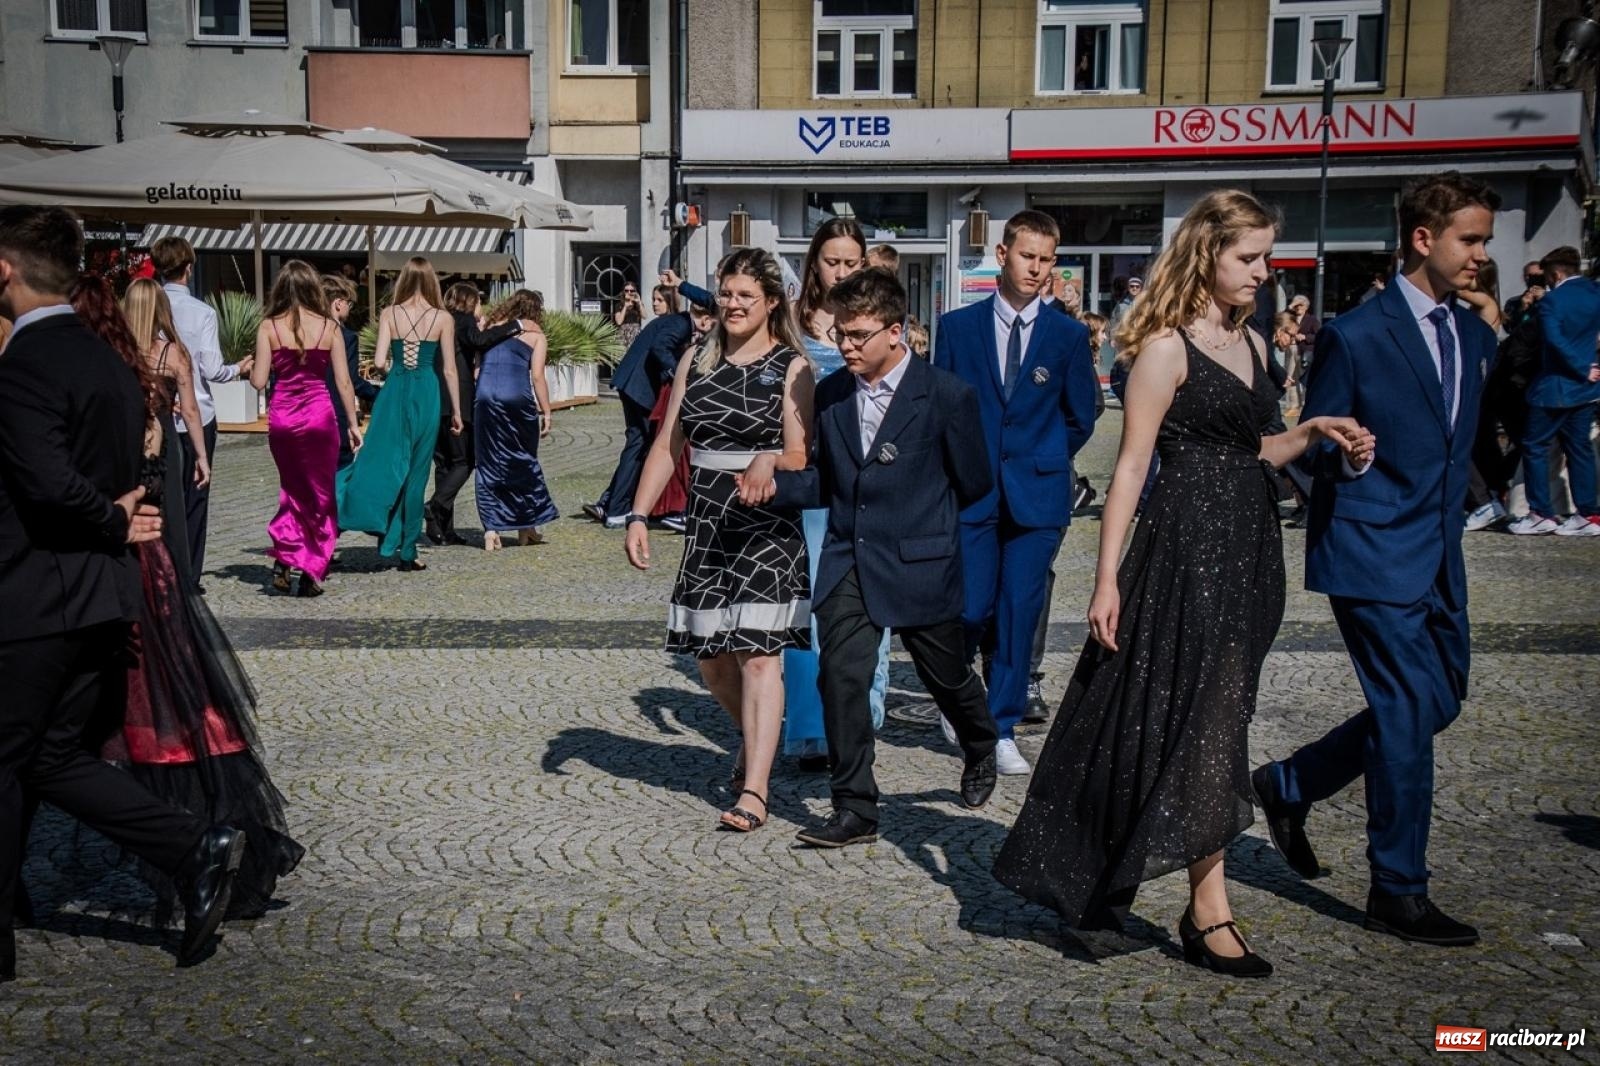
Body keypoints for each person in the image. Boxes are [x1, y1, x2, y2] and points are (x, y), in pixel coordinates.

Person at [992, 189, 1374, 978]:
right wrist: (1106, 581)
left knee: (1210, 718)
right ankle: (1209, 909)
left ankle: (1178, 888)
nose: (1264, 274)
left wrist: (1310, 433)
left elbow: (1255, 451)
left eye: (1266, 257)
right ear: (1207, 254)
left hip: (1251, 553)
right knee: (1202, 722)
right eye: (1249, 258)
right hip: (1183, 550)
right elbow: (1130, 466)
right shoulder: (1164, 348)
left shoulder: (1258, 345)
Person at [1254, 171, 1503, 949]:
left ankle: (1288, 783)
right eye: (1471, 239)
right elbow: (1309, 454)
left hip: (1438, 553)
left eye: (1486, 240)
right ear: (1424, 239)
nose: (1481, 255)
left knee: (1440, 700)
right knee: (1404, 715)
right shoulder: (1355, 335)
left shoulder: (1474, 334)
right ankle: (1398, 888)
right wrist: (1351, 461)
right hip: (1368, 547)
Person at [0, 206, 245, 980]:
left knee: (17, 759)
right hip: (102, 596)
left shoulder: (27, 367)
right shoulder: (109, 356)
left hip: (36, 596)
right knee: (50, 759)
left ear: (4, 271)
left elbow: (46, 485)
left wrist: (107, 517)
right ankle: (190, 846)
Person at [69, 274, 305, 925]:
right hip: (152, 539)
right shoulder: (159, 366)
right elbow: (185, 424)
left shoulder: (120, 374)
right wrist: (196, 456)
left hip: (128, 549)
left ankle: (180, 833)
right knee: (170, 693)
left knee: (144, 702)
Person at [757, 268, 1000, 847]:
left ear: (896, 333)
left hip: (921, 562)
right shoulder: (835, 393)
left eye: (858, 334)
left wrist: (923, 524)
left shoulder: (946, 395)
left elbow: (974, 482)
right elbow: (831, 483)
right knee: (840, 676)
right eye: (841, 332)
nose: (844, 345)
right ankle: (856, 809)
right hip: (848, 559)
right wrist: (774, 487)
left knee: (946, 676)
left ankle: (980, 739)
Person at [624, 248, 813, 834]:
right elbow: (666, 446)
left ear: (772, 303)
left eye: (744, 296)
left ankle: (755, 789)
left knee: (760, 655)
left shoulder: (792, 367)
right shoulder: (694, 361)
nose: (732, 304)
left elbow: (805, 455)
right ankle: (759, 734)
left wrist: (769, 459)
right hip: (706, 521)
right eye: (725, 293)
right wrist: (637, 513)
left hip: (765, 522)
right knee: (711, 660)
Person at [932, 210, 1099, 776]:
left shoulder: (1069, 335)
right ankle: (955, 698)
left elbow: (1082, 414)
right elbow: (940, 408)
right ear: (1002, 255)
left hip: (1038, 495)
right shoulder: (956, 329)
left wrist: (1044, 456)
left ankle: (998, 726)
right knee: (969, 606)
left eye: (1046, 259)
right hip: (972, 492)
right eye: (1028, 256)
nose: (1037, 268)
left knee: (1018, 611)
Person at [790, 219, 890, 773]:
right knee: (809, 602)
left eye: (853, 262)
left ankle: (863, 714)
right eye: (833, 260)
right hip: (811, 474)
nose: (842, 271)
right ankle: (809, 724)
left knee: (872, 596)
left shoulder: (880, 324)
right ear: (815, 264)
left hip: (870, 478)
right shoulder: (794, 324)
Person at [337, 257, 462, 571]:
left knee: (384, 460)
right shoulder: (443, 318)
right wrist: (457, 411)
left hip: (395, 390)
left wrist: (396, 364)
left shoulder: (390, 313)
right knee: (418, 471)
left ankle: (354, 509)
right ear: (432, 281)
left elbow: (379, 362)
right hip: (427, 393)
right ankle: (408, 552)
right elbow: (449, 370)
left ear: (403, 280)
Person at [249, 260, 363, 596]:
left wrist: (247, 366)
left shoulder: (269, 327)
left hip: (283, 419)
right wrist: (353, 424)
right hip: (319, 417)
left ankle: (285, 556)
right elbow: (343, 382)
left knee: (293, 489)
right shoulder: (330, 328)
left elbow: (258, 381)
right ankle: (311, 570)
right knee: (321, 493)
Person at [151, 235, 253, 592]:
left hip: (156, 414)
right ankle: (189, 573)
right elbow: (210, 368)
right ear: (189, 269)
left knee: (161, 495)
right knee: (195, 497)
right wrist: (237, 369)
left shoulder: (147, 307)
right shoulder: (202, 313)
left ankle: (160, 569)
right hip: (198, 413)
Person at [588, 272, 716, 529]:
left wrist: (680, 284)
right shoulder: (679, 324)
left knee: (639, 443)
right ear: (704, 319)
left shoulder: (676, 322)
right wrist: (679, 374)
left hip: (632, 385)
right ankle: (617, 508)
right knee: (639, 443)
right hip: (639, 388)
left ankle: (612, 503)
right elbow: (660, 348)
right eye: (711, 323)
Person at [120, 278, 211, 588]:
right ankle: (170, 584)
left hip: (126, 440)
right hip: (167, 442)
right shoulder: (174, 353)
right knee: (169, 515)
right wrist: (201, 455)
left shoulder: (116, 351)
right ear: (161, 309)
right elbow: (190, 410)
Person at [1507, 245, 1600, 536]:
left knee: (1534, 446)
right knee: (1580, 449)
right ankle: (1588, 513)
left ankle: (1540, 513)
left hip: (1555, 387)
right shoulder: (1595, 293)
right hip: (1586, 388)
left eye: (1546, 276)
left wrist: (1580, 366)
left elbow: (1554, 341)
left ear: (1556, 273)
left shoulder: (1553, 301)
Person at [428, 283, 521, 546]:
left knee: (445, 464)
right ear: (470, 302)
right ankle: (434, 507)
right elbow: (478, 340)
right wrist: (512, 327)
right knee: (465, 460)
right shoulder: (462, 320)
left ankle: (442, 529)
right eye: (479, 302)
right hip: (458, 399)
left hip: (436, 398)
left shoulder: (440, 320)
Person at [474, 289, 559, 550]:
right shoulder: (535, 335)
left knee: (487, 462)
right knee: (523, 459)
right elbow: (537, 377)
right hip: (517, 398)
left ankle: (491, 530)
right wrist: (546, 411)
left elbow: (477, 369)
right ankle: (526, 527)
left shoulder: (491, 327)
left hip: (486, 395)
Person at [321, 274, 381, 470]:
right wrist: (379, 394)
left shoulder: (305, 334)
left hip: (306, 412)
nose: (350, 308)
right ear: (338, 303)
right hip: (335, 413)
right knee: (339, 473)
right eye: (349, 303)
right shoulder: (346, 337)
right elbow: (351, 381)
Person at [1502, 260, 1545, 330]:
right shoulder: (1513, 302)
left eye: (1538, 276)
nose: (1535, 279)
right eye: (1531, 276)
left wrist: (1545, 299)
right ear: (1525, 278)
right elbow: (1509, 328)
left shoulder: (1554, 298)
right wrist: (1522, 309)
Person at [614, 281, 645, 351]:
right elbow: (619, 322)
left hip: (635, 333)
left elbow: (644, 316)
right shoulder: (619, 305)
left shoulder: (637, 304)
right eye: (626, 290)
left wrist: (639, 302)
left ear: (635, 292)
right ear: (623, 292)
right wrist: (625, 306)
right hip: (623, 333)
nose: (629, 292)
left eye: (632, 290)